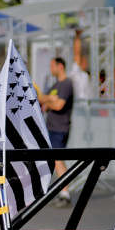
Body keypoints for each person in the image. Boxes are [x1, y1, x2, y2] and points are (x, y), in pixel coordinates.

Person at [39, 56, 74, 203]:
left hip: (60, 128)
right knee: (52, 160)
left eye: (53, 65)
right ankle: (59, 190)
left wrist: (50, 100)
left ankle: (65, 193)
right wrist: (49, 99)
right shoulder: (55, 86)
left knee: (58, 160)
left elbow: (59, 105)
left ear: (60, 66)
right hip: (50, 127)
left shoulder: (66, 84)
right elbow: (42, 101)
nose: (50, 68)